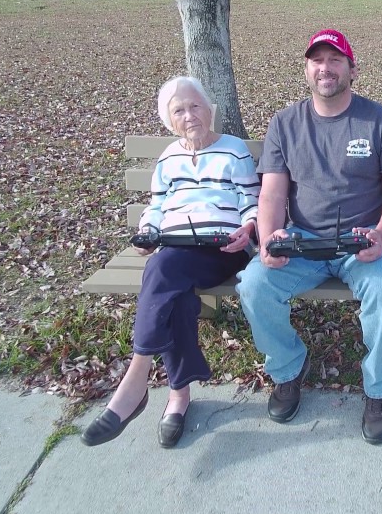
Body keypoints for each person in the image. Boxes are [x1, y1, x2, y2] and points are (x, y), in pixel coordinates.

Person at [236, 28, 382, 445]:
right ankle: (287, 369)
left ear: (352, 70)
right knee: (254, 284)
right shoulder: (285, 123)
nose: (325, 68)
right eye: (317, 60)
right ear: (307, 69)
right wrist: (268, 240)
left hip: (362, 242)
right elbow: (272, 192)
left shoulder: (380, 121)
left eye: (335, 60)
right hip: (303, 240)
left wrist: (380, 234)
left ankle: (378, 389)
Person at [81, 75, 259, 449]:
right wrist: (147, 232)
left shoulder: (234, 149)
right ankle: (177, 395)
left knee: (161, 271)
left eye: (196, 106)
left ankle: (136, 381)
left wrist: (249, 227)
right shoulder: (168, 157)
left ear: (209, 110)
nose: (190, 115)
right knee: (174, 290)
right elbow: (157, 206)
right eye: (179, 110)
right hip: (177, 246)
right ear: (169, 119)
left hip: (222, 249)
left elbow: (250, 198)